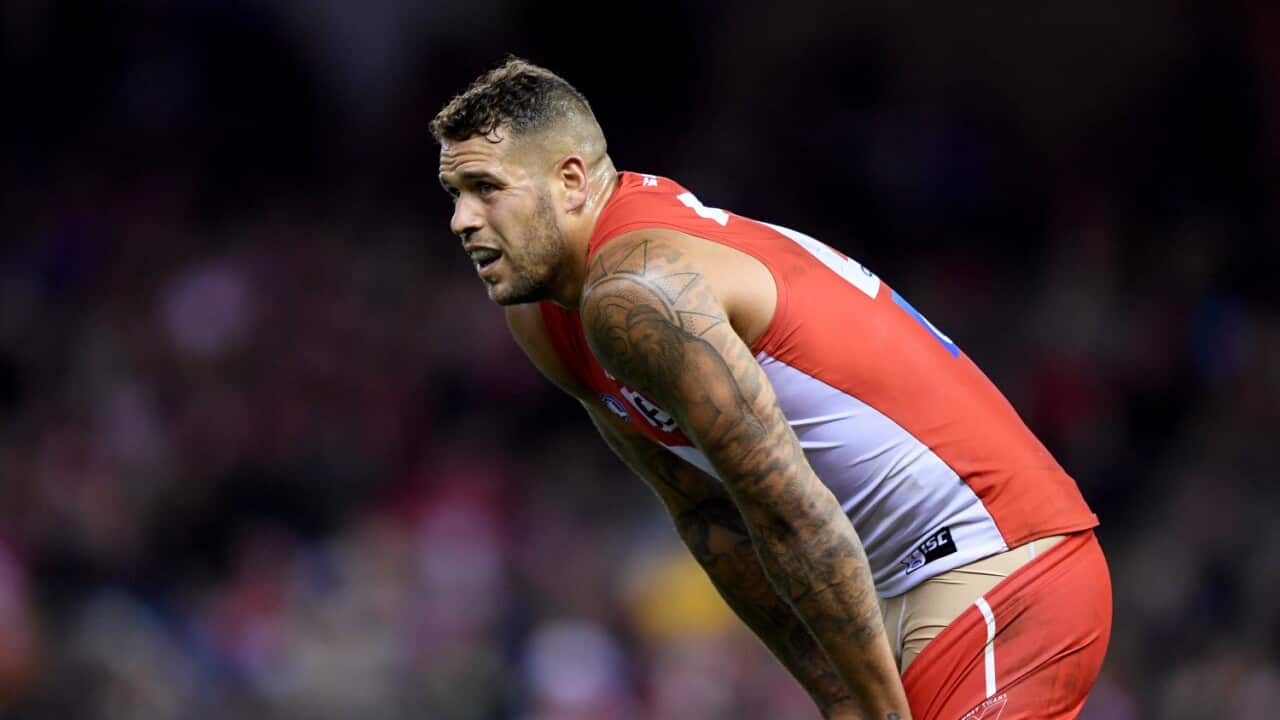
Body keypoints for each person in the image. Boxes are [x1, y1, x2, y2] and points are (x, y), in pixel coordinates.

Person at [431, 57, 1111, 720]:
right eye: (454, 194)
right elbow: (706, 517)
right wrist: (841, 700)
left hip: (1006, 571)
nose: (463, 220)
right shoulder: (544, 316)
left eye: (487, 188)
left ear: (572, 180)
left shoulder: (638, 292)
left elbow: (791, 515)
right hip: (898, 591)